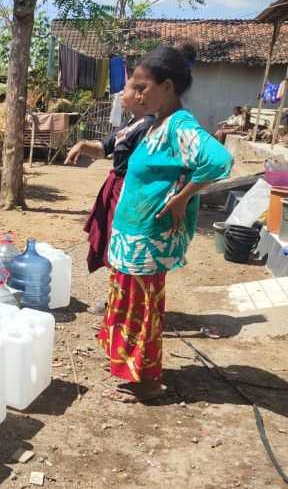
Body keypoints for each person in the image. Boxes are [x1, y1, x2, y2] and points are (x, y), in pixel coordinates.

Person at [101, 44, 233, 403]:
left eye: (143, 87)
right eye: (135, 87)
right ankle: (133, 371)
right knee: (128, 306)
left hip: (148, 238)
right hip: (133, 234)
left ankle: (149, 383)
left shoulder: (179, 124)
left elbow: (219, 160)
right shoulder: (155, 122)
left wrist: (182, 197)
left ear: (168, 87)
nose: (137, 94)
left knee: (143, 312)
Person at [65, 80, 154, 312]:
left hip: (129, 192)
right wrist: (83, 145)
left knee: (122, 245)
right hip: (115, 187)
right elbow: (105, 147)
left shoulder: (149, 128)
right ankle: (117, 300)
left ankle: (124, 304)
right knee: (111, 244)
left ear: (140, 96)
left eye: (126, 89)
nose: (121, 92)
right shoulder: (133, 123)